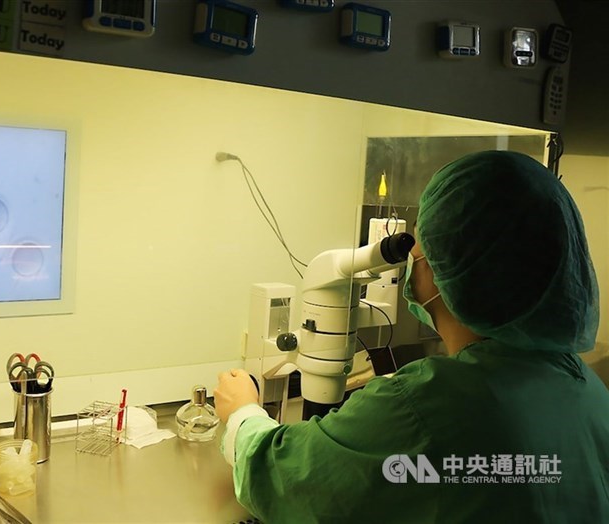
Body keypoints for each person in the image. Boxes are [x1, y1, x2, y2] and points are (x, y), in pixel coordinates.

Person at [214, 150, 608, 523]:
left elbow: (284, 480)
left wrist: (242, 413)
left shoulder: (429, 409)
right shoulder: (586, 388)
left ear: (443, 268)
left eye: (422, 243)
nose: (413, 256)